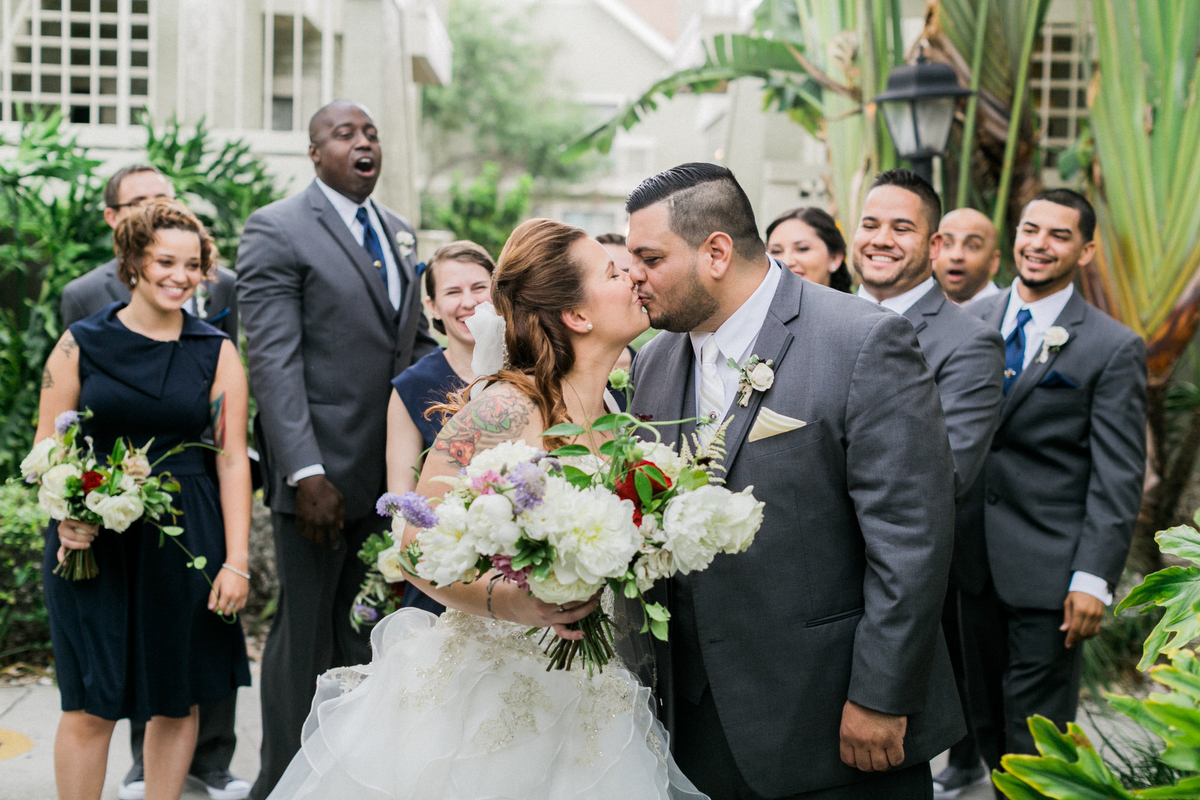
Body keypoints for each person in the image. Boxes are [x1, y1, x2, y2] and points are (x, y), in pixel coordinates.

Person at [265, 218, 705, 800]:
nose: (634, 277)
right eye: (614, 271)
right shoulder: (506, 407)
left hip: (593, 686)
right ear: (576, 316)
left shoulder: (623, 408)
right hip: (492, 692)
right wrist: (515, 603)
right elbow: (417, 544)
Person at [626, 162, 963, 800]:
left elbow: (911, 538)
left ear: (716, 252)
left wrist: (880, 694)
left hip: (834, 720)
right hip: (697, 721)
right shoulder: (656, 360)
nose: (633, 276)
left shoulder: (862, 342)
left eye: (649, 257)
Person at [236, 100, 437, 800]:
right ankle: (280, 782)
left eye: (372, 133)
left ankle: (348, 777)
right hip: (317, 479)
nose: (363, 143)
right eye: (344, 134)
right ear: (314, 151)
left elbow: (409, 350)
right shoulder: (277, 229)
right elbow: (274, 360)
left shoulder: (400, 233)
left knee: (367, 628)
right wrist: (305, 471)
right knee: (304, 634)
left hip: (388, 478)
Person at [36, 198, 252, 800]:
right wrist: (67, 516)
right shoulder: (79, 343)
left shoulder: (217, 351)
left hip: (185, 536)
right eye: (165, 261)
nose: (180, 277)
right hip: (89, 543)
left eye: (193, 264)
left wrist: (237, 558)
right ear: (132, 260)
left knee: (175, 700)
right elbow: (47, 448)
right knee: (91, 704)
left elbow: (232, 457)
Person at [963, 190, 1147, 770]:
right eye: (1030, 229)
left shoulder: (1113, 347)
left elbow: (1118, 473)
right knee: (981, 718)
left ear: (1086, 250)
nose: (1039, 244)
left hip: (1050, 574)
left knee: (1036, 733)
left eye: (1059, 235)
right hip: (966, 564)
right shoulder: (967, 323)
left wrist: (1094, 578)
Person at [851, 170, 1006, 798]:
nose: (881, 239)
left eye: (902, 227)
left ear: (936, 245)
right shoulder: (810, 319)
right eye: (870, 224)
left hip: (887, 589)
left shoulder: (968, 343)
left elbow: (943, 477)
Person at [386, 240, 495, 614]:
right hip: (446, 579)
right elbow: (404, 504)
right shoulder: (411, 388)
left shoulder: (533, 368)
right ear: (431, 306)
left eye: (479, 287)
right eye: (453, 291)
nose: (468, 301)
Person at [62, 164, 240, 340]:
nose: (153, 210)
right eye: (139, 203)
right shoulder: (83, 295)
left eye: (163, 201)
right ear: (112, 217)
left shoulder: (224, 284)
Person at [765, 206, 852, 292]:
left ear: (834, 258)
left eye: (802, 249)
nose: (787, 262)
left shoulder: (857, 305)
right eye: (776, 251)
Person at [933, 208, 1003, 308]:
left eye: (971, 246)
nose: (956, 256)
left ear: (994, 261)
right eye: (947, 244)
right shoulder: (915, 312)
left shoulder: (1009, 314)